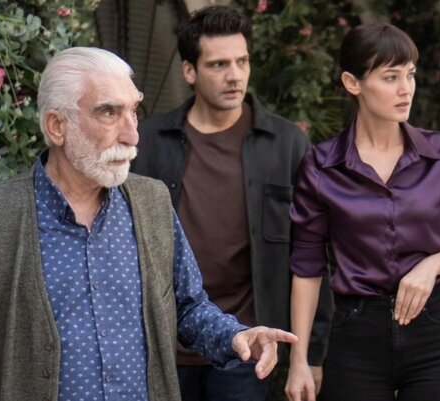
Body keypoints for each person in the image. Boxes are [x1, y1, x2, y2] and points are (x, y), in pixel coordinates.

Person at [0, 46, 298, 401]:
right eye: (109, 113)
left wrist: (234, 336)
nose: (132, 134)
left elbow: (188, 307)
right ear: (57, 125)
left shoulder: (152, 203)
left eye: (133, 111)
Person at [284, 23, 440, 401]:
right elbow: (307, 268)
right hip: (355, 336)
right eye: (391, 77)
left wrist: (432, 265)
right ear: (353, 83)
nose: (406, 89)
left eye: (410, 74)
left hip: (434, 331)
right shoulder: (321, 167)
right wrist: (299, 359)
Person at [131, 5, 332, 401]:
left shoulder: (287, 145)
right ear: (189, 71)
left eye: (242, 61)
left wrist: (310, 355)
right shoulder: (149, 143)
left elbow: (313, 252)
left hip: (249, 344)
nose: (235, 75)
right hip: (164, 345)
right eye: (219, 64)